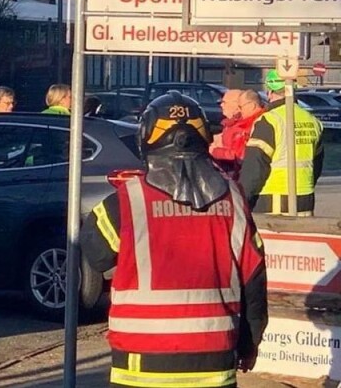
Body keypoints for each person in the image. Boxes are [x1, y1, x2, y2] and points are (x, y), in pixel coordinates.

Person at [81, 91, 268, 388]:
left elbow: (95, 254)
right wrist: (249, 344)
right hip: (214, 359)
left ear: (147, 139)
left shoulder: (126, 201)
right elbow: (254, 279)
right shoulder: (233, 199)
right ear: (204, 138)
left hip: (141, 362)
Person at [242, 70, 324, 215]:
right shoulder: (312, 120)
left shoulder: (269, 120)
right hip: (306, 198)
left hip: (273, 200)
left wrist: (242, 201)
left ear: (270, 92)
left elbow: (255, 168)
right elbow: (317, 164)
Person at [209, 89, 245, 174]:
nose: (221, 105)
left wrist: (214, 150)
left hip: (234, 174)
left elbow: (237, 155)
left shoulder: (241, 126)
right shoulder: (230, 124)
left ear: (236, 105)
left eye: (224, 102)